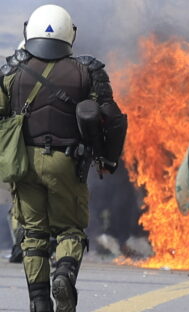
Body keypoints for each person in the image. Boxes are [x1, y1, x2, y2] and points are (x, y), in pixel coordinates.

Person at [0, 5, 127, 311]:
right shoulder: (88, 70)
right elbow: (112, 118)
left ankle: (40, 300)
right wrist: (108, 159)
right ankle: (64, 274)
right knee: (69, 229)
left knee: (32, 234)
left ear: (30, 30)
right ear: (70, 33)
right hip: (67, 162)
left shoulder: (10, 71)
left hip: (23, 163)